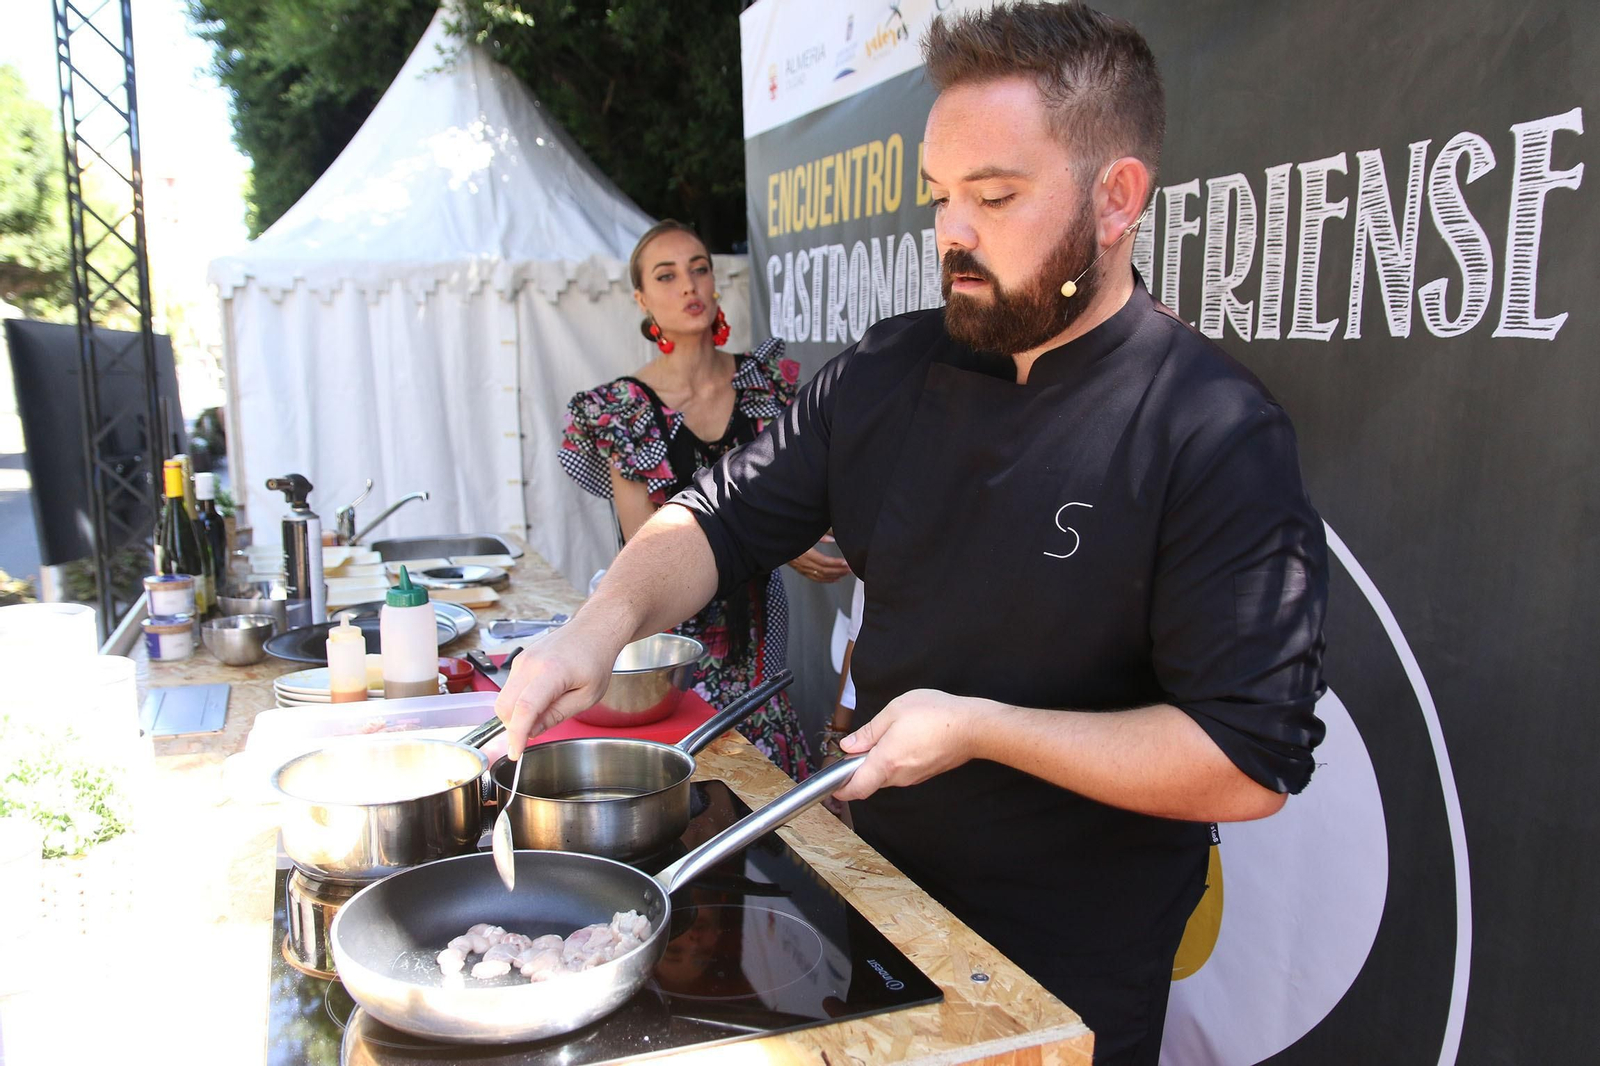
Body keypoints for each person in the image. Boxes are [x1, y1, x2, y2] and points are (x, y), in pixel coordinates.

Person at [503, 5, 1327, 1063]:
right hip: (879, 897)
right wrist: (598, 626)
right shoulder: (889, 370)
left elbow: (1247, 758)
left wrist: (982, 726)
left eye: (994, 195)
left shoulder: (1209, 427)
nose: (950, 232)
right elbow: (713, 517)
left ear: (1115, 199)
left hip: (1072, 956)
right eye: (940, 195)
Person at [558, 220, 846, 780]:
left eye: (699, 268)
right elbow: (649, 543)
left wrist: (808, 530)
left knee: (769, 817)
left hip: (759, 656)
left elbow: (805, 497)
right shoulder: (623, 408)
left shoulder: (765, 384)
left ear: (714, 283)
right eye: (666, 276)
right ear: (642, 299)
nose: (688, 286)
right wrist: (780, 545)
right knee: (689, 812)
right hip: (670, 660)